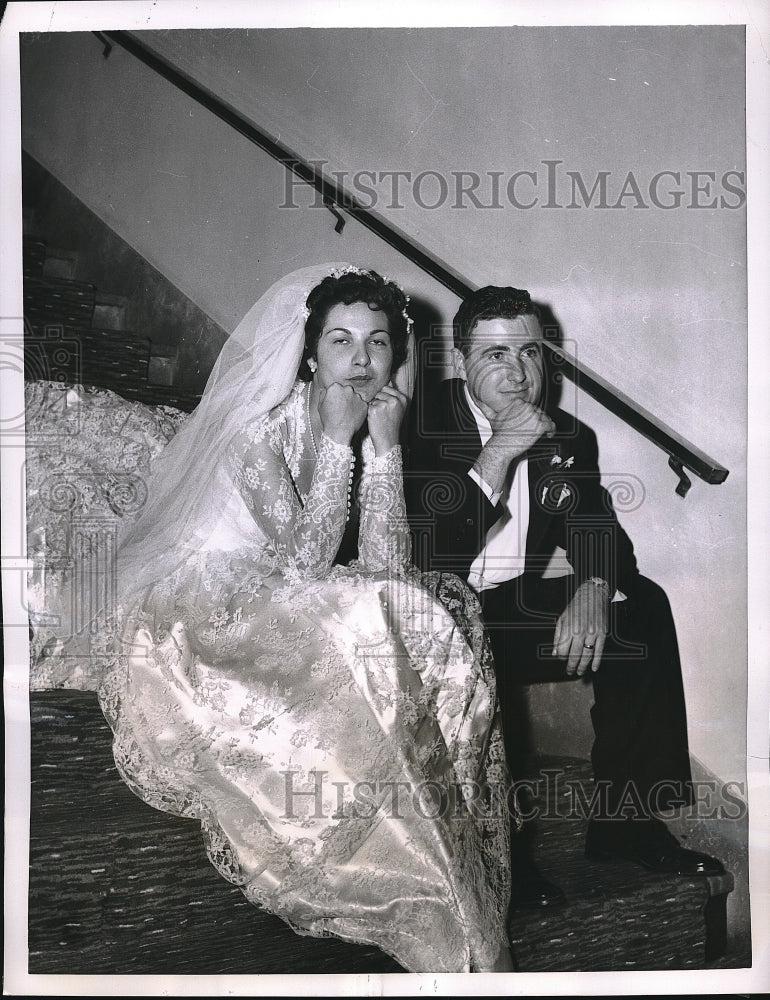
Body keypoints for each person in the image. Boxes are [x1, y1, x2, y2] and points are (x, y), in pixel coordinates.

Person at [97, 264, 514, 973]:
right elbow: (309, 558)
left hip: (284, 579)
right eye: (342, 341)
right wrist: (340, 442)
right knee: (357, 619)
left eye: (379, 343)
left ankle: (440, 858)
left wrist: (383, 447)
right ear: (310, 351)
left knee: (416, 606)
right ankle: (390, 872)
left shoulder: (367, 413)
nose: (362, 359)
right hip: (207, 593)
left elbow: (386, 561)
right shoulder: (256, 427)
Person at [405, 284, 724, 909]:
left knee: (644, 609)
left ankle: (624, 824)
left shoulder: (569, 436)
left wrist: (594, 586)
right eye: (495, 356)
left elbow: (602, 533)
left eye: (529, 353)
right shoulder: (417, 425)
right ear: (463, 360)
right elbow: (429, 555)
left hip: (505, 609)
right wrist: (499, 451)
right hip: (428, 612)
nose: (518, 372)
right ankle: (499, 857)